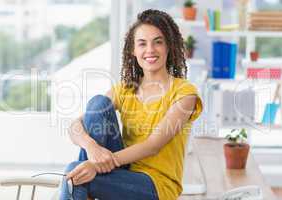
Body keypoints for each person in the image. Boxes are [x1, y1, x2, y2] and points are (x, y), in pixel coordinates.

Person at [60, 9, 203, 200]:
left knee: (74, 174)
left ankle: (84, 192)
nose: (150, 50)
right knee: (98, 103)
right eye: (142, 44)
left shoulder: (185, 92)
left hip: (155, 184)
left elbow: (153, 145)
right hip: (121, 170)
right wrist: (92, 149)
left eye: (158, 42)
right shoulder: (125, 89)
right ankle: (84, 191)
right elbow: (75, 126)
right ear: (133, 50)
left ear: (169, 46)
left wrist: (95, 166)